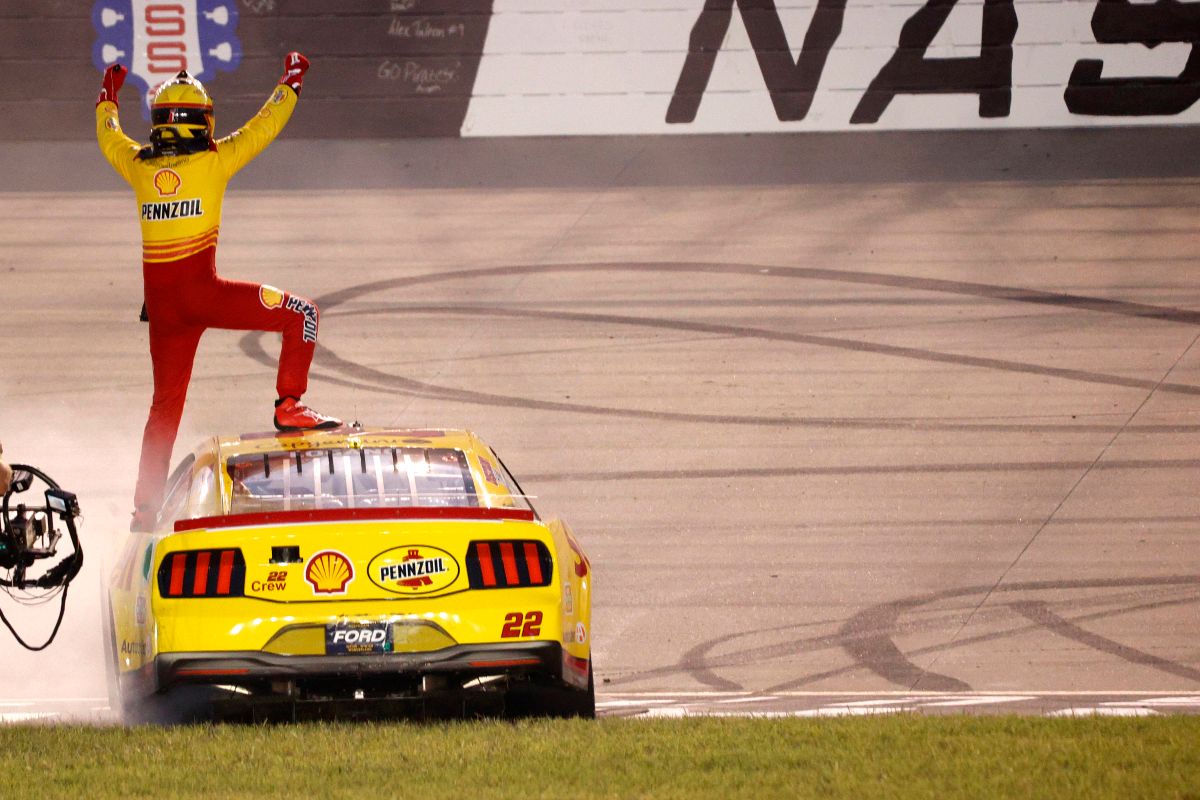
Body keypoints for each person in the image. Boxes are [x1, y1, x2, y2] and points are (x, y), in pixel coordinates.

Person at [96, 53, 341, 532]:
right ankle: (289, 406)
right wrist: (292, 79)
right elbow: (265, 125)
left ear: (160, 123)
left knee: (163, 410)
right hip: (207, 295)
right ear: (203, 122)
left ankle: (144, 512)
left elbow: (108, 134)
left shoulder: (138, 166)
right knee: (303, 314)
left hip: (165, 316)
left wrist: (108, 89)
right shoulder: (216, 159)